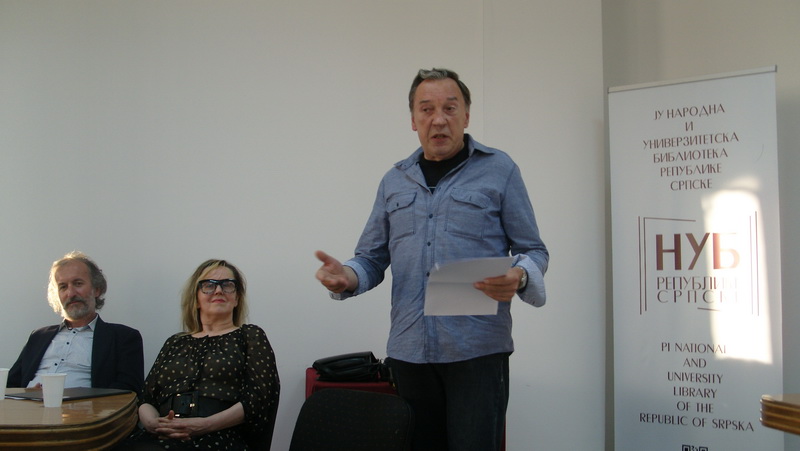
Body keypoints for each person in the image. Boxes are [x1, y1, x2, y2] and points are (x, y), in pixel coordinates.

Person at [315, 68, 549, 451]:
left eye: (449, 108)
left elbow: (534, 250)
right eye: (426, 109)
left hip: (477, 351)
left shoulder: (500, 170)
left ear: (466, 116)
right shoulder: (394, 180)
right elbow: (371, 259)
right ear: (413, 119)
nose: (438, 119)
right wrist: (347, 277)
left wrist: (520, 275)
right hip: (409, 351)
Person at [122, 259, 280, 451]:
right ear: (195, 298)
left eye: (228, 285)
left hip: (220, 436)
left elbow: (258, 399)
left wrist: (205, 425)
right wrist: (152, 423)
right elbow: (146, 398)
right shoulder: (175, 342)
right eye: (209, 285)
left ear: (237, 298)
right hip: (161, 436)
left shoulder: (250, 336)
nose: (219, 290)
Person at [7, 251, 144, 394]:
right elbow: (9, 384)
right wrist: (26, 393)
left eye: (78, 284)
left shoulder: (123, 337)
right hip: (28, 405)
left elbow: (128, 390)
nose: (70, 293)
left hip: (85, 407)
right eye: (63, 287)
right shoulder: (38, 336)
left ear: (96, 289)